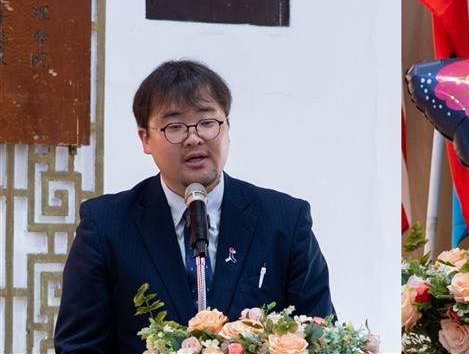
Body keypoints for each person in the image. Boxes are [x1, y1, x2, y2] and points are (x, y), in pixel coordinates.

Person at [54, 60, 333, 354]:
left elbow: (320, 335)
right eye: (174, 127)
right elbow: (78, 347)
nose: (194, 138)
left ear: (227, 127)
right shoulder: (105, 226)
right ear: (145, 139)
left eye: (207, 122)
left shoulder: (285, 221)